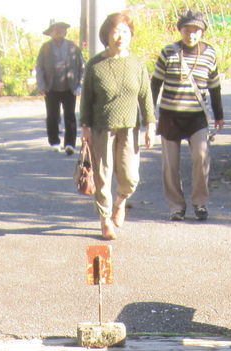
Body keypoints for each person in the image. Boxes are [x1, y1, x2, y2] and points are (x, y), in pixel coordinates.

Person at [79, 12, 156, 240]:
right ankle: (105, 219)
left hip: (130, 127)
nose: (120, 37)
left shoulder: (137, 64)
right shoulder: (96, 65)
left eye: (125, 32)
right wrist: (85, 127)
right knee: (103, 176)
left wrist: (150, 125)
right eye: (115, 32)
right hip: (101, 127)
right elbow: (86, 99)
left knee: (130, 177)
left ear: (130, 35)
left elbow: (145, 96)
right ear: (107, 35)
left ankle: (120, 202)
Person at [151, 10, 224, 221]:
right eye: (187, 30)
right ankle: (176, 206)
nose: (191, 35)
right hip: (170, 117)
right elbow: (155, 84)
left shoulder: (209, 53)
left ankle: (200, 203)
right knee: (170, 165)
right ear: (180, 30)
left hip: (196, 117)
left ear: (202, 32)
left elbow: (215, 87)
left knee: (201, 156)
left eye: (195, 30)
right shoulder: (169, 52)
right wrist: (149, 114)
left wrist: (219, 115)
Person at [35, 21, 83, 155]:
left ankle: (70, 144)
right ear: (51, 33)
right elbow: (39, 67)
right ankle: (54, 142)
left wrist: (79, 84)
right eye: (56, 30)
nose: (59, 32)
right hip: (51, 88)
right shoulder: (45, 47)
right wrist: (41, 85)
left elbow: (81, 66)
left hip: (69, 87)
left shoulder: (73, 46)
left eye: (62, 30)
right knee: (52, 116)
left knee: (70, 116)